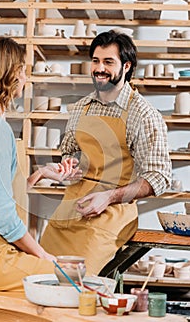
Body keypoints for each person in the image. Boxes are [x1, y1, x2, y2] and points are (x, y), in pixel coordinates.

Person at [40, 30, 172, 275]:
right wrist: (68, 165)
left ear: (127, 66)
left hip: (111, 213)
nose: (100, 68)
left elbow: (159, 177)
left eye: (108, 62)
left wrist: (109, 197)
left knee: (78, 284)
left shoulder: (143, 114)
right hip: (71, 207)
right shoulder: (81, 107)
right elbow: (70, 151)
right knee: (38, 273)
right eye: (96, 61)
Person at [0, 36, 76, 291]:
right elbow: (2, 217)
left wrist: (41, 173)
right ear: (9, 74)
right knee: (70, 278)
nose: (25, 76)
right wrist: (41, 254)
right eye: (22, 69)